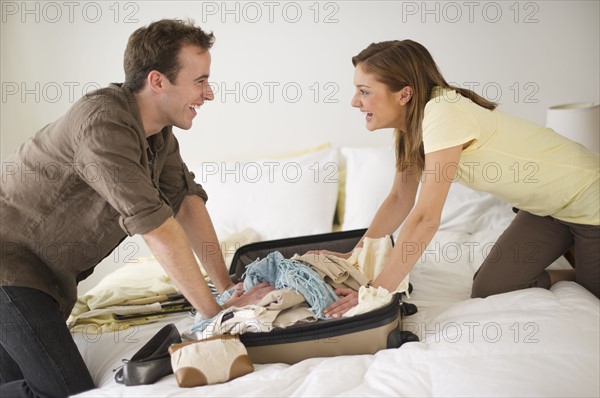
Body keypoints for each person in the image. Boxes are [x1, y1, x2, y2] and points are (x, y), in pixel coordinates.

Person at [0, 19, 273, 397]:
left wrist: (226, 288)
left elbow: (185, 203)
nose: (208, 94)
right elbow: (158, 228)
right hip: (11, 268)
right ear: (158, 81)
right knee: (69, 392)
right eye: (200, 81)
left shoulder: (158, 131)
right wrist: (214, 315)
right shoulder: (103, 125)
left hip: (47, 280)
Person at [323, 40, 599, 318]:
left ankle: (584, 260)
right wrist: (356, 257)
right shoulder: (410, 126)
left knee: (594, 294)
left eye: (364, 91)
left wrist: (377, 292)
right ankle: (577, 263)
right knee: (492, 287)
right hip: (547, 209)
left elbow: (426, 218)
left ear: (404, 94)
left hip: (587, 196)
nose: (355, 101)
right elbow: (399, 198)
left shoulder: (443, 112)